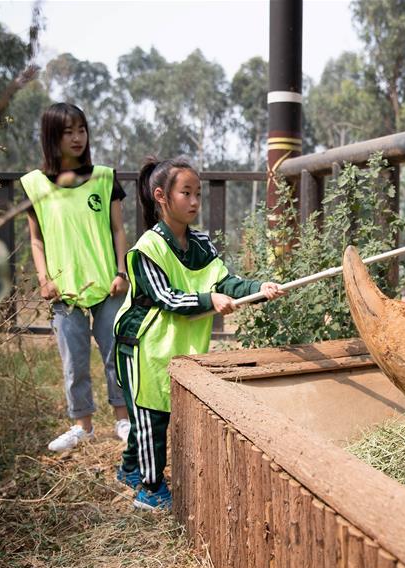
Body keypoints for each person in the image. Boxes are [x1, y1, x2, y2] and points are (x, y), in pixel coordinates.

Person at [114, 156, 285, 510]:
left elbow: (225, 281)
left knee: (154, 411)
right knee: (150, 415)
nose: (194, 202)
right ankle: (150, 489)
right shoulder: (147, 248)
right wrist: (209, 300)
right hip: (141, 344)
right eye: (186, 193)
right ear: (161, 196)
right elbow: (166, 297)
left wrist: (257, 288)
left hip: (172, 342)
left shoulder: (202, 244)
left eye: (198, 194)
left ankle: (130, 469)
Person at [21, 102, 131, 452]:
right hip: (63, 292)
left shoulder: (104, 178)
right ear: (51, 137)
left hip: (108, 286)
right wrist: (44, 279)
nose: (77, 138)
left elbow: (118, 230)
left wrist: (121, 271)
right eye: (68, 132)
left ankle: (123, 420)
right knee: (74, 362)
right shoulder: (35, 185)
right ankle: (83, 426)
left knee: (116, 354)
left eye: (81, 130)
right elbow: (36, 240)